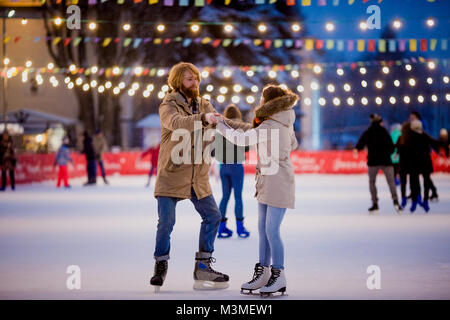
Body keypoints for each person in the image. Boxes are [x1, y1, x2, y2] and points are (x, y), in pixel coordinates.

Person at [150, 62, 250, 291]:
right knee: (167, 222)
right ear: (178, 82)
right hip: (172, 173)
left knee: (213, 217)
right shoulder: (168, 104)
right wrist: (203, 119)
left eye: (196, 79)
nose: (195, 83)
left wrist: (253, 128)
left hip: (198, 177)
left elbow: (224, 123)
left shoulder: (204, 104)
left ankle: (203, 267)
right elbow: (175, 124)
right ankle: (160, 264)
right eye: (189, 79)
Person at [216, 84, 298, 296]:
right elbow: (294, 144)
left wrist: (219, 125)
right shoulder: (283, 122)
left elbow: (241, 139)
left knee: (271, 230)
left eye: (262, 99)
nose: (259, 103)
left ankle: (279, 274)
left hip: (277, 180)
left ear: (269, 102)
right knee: (263, 229)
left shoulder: (271, 124)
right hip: (267, 180)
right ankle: (263, 273)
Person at [354, 114, 402, 214]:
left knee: (372, 182)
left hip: (373, 161)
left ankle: (375, 204)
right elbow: (391, 147)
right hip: (386, 161)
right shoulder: (384, 131)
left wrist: (357, 149)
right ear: (380, 122)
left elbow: (361, 141)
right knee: (391, 182)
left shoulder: (369, 131)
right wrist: (389, 153)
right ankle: (396, 202)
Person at [214, 104, 250, 239]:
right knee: (238, 197)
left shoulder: (220, 128)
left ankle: (221, 227)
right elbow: (246, 148)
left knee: (225, 197)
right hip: (236, 166)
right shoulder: (240, 127)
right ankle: (240, 228)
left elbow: (213, 150)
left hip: (223, 167)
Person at [408, 120, 440, 213]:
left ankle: (416, 200)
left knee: (414, 181)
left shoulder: (410, 137)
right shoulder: (425, 136)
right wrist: (438, 150)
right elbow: (434, 143)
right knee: (426, 180)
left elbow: (406, 149)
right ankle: (425, 200)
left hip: (416, 162)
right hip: (425, 162)